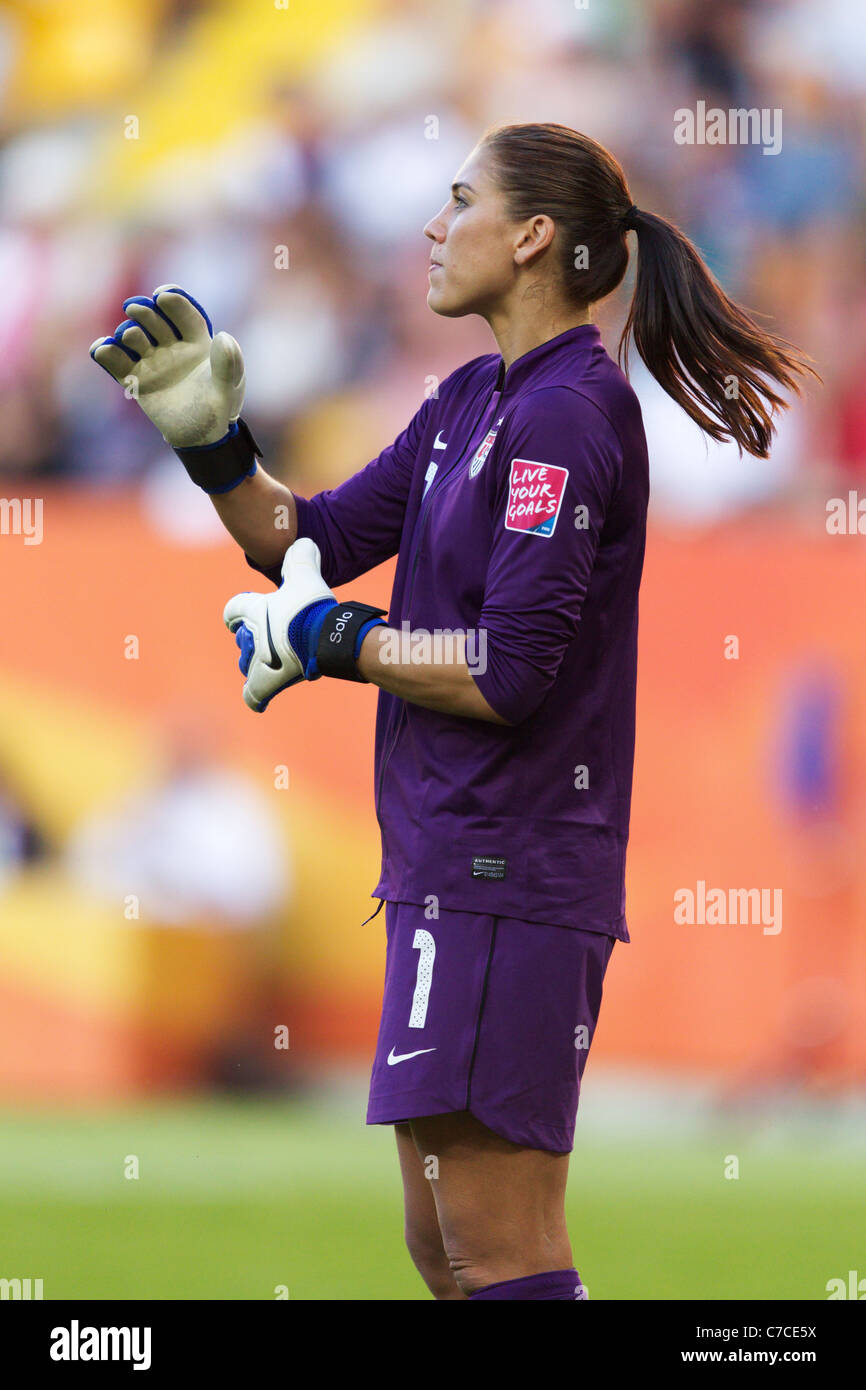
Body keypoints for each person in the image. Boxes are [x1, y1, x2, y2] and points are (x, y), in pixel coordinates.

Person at [90, 122, 815, 1301]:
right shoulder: (472, 398)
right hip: (448, 865)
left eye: (459, 199)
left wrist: (333, 641)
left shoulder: (567, 413)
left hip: (508, 871)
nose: (432, 226)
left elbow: (506, 670)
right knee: (445, 1252)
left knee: (499, 1250)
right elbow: (310, 539)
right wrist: (212, 445)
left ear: (531, 237)